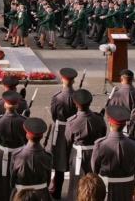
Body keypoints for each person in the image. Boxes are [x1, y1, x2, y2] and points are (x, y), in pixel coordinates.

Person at [65, 89, 107, 201]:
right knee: (94, 185)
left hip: (78, 154)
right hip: (95, 153)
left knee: (76, 186)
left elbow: (68, 141)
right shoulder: (99, 119)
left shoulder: (71, 121)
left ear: (75, 103)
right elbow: (103, 135)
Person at [91, 106, 135, 201]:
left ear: (109, 123)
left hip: (107, 189)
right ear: (124, 124)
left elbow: (94, 168)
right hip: (128, 188)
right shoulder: (133, 144)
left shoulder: (100, 144)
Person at [0, 91, 27, 201]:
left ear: (5, 105)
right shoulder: (23, 121)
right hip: (19, 154)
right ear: (17, 105)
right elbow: (25, 140)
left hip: (3, 153)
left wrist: (0, 148)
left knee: (1, 181)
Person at [49, 68, 78, 200]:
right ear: (73, 81)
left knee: (59, 162)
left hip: (60, 129)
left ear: (62, 80)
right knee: (73, 161)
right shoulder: (77, 96)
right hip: (74, 128)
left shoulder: (57, 97)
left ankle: (57, 192)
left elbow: (54, 115)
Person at [9, 118, 53, 201]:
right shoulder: (47, 156)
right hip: (42, 194)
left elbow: (12, 181)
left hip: (20, 194)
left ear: (27, 135)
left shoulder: (17, 155)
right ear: (42, 137)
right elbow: (48, 181)